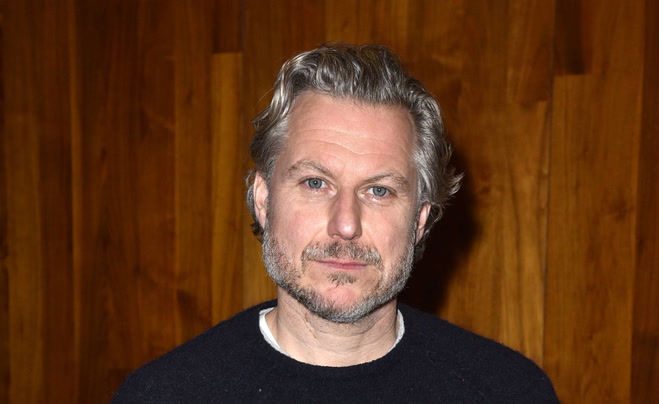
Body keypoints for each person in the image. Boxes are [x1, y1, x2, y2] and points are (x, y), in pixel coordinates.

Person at [113, 42, 559, 403]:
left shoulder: (508, 392)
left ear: (420, 221)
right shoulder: (162, 395)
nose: (346, 225)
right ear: (263, 201)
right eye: (315, 183)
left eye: (378, 190)